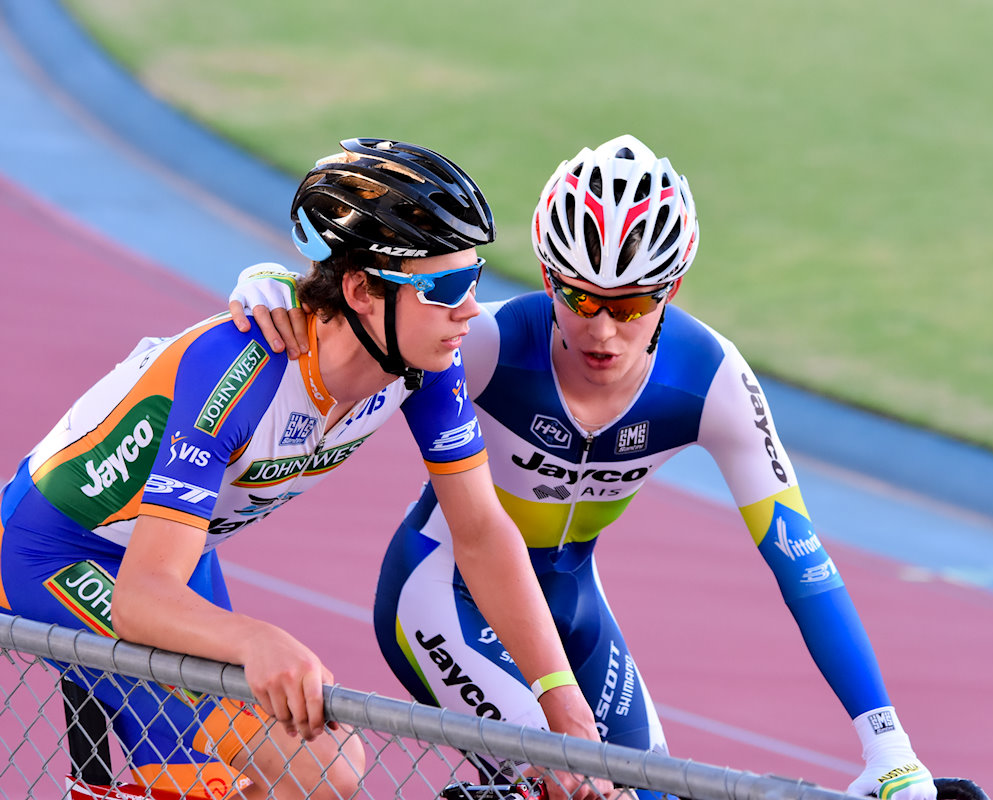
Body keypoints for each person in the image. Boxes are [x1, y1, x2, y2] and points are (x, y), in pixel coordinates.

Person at [230, 135, 938, 800]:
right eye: (578, 298)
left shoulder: (712, 379)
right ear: (546, 276)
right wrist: (273, 284)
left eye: (630, 304)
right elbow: (360, 328)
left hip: (572, 611)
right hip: (442, 596)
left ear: (673, 288)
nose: (601, 330)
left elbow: (801, 564)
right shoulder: (486, 342)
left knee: (651, 789)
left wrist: (888, 749)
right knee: (576, 789)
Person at [0, 138, 606, 800]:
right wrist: (260, 639)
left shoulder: (423, 363)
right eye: (446, 287)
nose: (468, 310)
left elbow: (482, 531)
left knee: (315, 767)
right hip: (55, 553)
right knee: (255, 776)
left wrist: (560, 700)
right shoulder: (240, 369)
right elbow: (140, 598)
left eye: (475, 279)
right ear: (360, 290)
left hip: (172, 551)